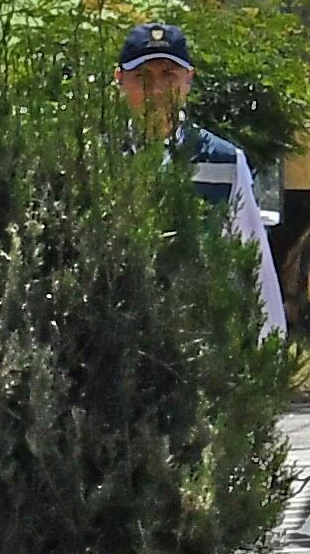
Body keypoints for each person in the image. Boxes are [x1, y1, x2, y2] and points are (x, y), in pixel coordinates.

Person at [115, 21, 287, 340]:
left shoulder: (224, 162)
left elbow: (252, 259)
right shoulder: (99, 157)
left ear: (188, 80)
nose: (156, 90)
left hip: (199, 346)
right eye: (143, 77)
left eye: (169, 76)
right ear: (120, 80)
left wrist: (268, 347)